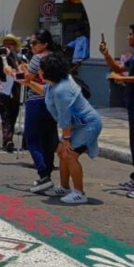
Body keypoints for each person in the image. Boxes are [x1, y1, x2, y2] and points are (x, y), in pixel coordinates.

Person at [21, 53, 102, 204]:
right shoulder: (56, 84)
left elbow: (65, 118)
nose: (38, 72)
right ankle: (64, 187)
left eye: (40, 69)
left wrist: (66, 140)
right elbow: (45, 90)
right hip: (80, 124)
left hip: (88, 124)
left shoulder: (62, 91)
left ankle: (79, 193)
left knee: (70, 155)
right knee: (61, 152)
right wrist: (28, 83)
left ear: (48, 71)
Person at [17, 29, 59, 193]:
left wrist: (12, 71)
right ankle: (46, 175)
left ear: (44, 44)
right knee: (48, 139)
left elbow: (25, 80)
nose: (31, 46)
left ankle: (43, 173)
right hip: (53, 101)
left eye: (34, 43)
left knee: (32, 138)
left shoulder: (38, 58)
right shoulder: (54, 57)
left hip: (37, 100)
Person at [101, 23, 134, 198]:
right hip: (132, 104)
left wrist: (120, 78)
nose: (127, 37)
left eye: (130, 34)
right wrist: (106, 54)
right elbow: (120, 68)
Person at [0, 34, 23, 152]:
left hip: (16, 91)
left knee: (13, 116)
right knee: (5, 116)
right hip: (1, 90)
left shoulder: (19, 58)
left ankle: (8, 138)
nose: (8, 46)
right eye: (6, 44)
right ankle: (8, 139)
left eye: (11, 44)